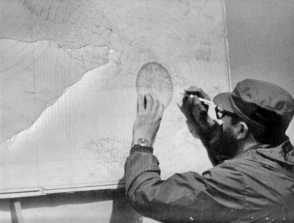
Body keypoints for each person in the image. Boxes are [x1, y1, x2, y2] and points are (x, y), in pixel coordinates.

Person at [124, 79, 294, 222]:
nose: (220, 119)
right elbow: (246, 168)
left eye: (223, 114)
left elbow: (146, 195)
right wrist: (206, 126)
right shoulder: (284, 158)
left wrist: (142, 139)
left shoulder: (239, 180)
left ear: (241, 130)